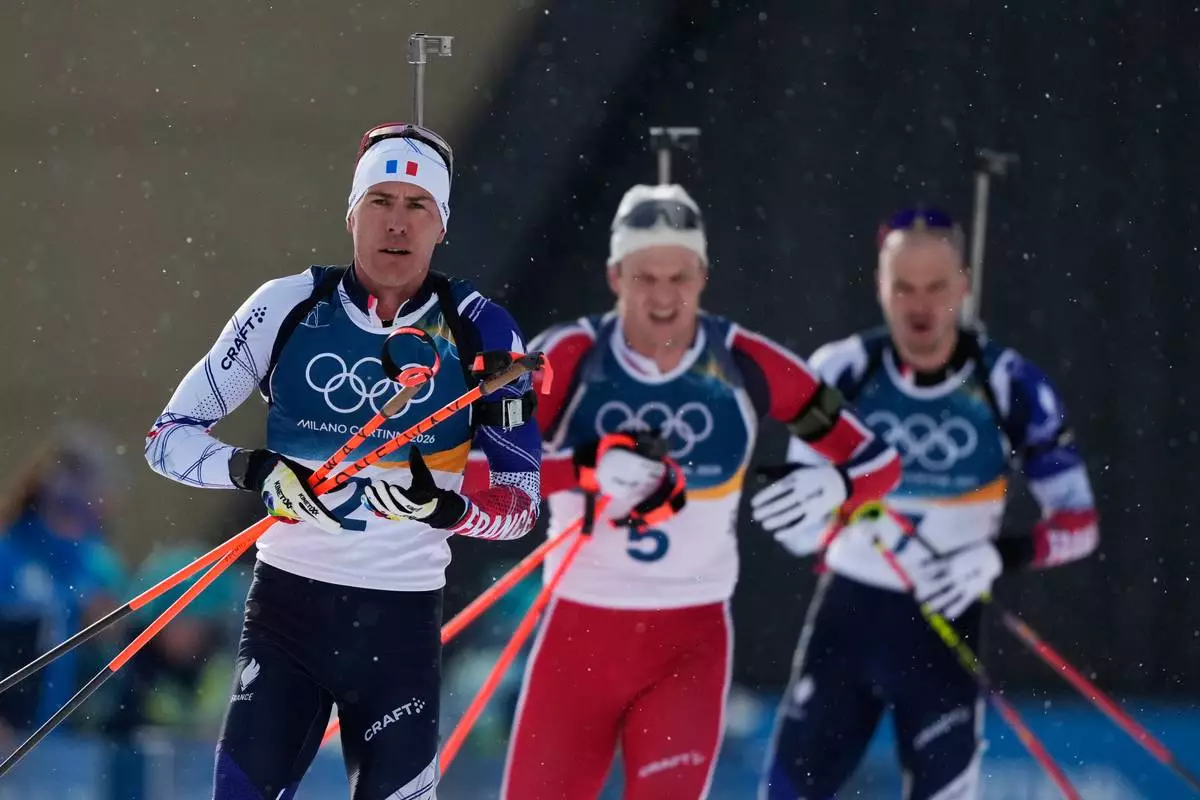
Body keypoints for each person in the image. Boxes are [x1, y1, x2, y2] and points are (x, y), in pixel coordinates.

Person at [144, 121, 543, 800]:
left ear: (440, 225)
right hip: (287, 617)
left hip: (401, 631)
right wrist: (255, 469)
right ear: (352, 213)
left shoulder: (484, 331)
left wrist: (449, 510)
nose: (397, 223)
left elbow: (522, 505)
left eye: (418, 206)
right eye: (380, 201)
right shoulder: (286, 307)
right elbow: (168, 437)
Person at [485, 183, 902, 800]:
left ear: (703, 275)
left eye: (678, 276)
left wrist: (837, 486)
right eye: (643, 277)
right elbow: (473, 473)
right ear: (613, 276)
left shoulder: (746, 363)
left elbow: (881, 462)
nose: (661, 297)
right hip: (577, 639)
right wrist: (583, 468)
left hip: (689, 645)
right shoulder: (565, 357)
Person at [753, 207, 1100, 799]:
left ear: (964, 285)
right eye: (903, 287)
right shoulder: (841, 372)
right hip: (848, 622)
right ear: (880, 286)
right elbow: (795, 529)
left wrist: (997, 555)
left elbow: (1080, 524)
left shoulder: (1010, 385)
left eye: (937, 286)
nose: (919, 305)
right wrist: (828, 510)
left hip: (944, 633)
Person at [0, 427, 125, 742]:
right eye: (67, 507)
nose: (77, 523)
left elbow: (115, 650)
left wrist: (105, 631)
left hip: (59, 740)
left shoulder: (96, 562)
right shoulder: (8, 555)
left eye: (88, 511)